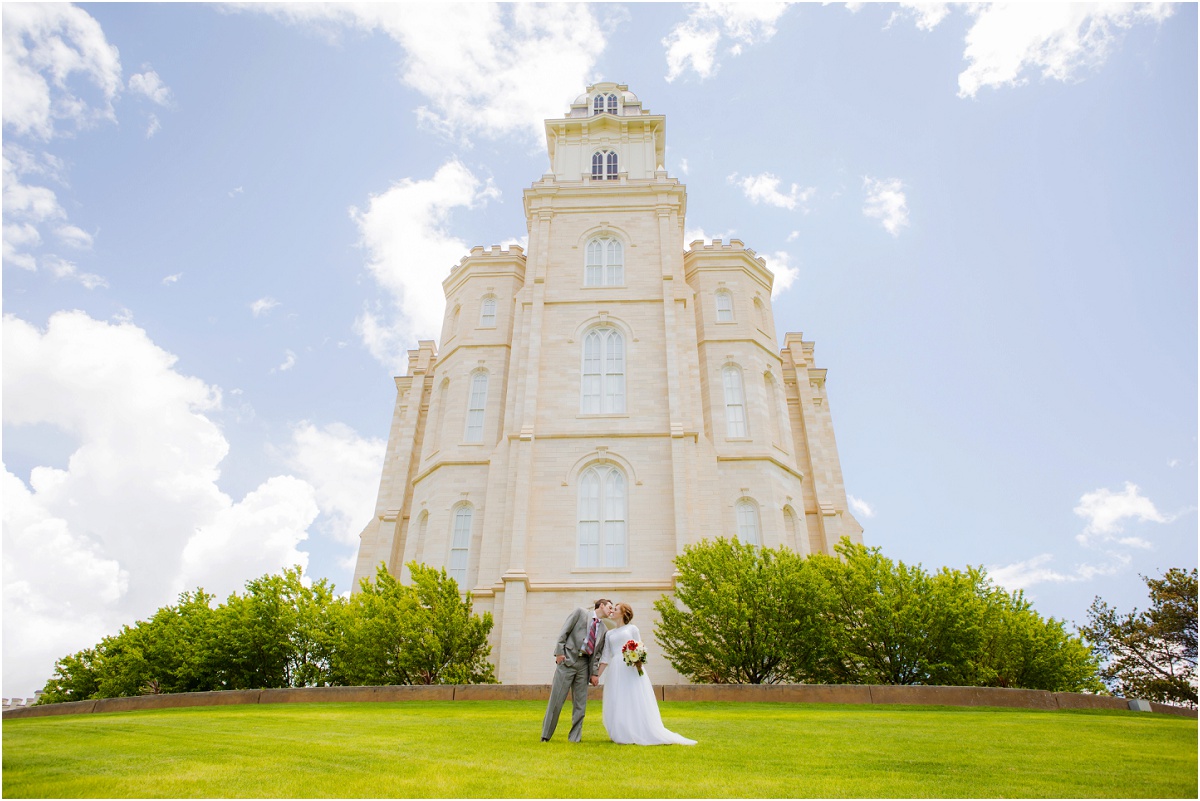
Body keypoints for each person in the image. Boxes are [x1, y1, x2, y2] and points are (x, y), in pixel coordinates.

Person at [599, 602, 696, 746]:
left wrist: (637, 661)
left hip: (630, 666)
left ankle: (639, 730)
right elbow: (606, 655)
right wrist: (597, 675)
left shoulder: (632, 629)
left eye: (616, 609)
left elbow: (640, 647)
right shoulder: (609, 634)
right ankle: (621, 732)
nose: (612, 611)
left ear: (624, 613)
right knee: (617, 698)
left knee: (633, 698)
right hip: (615, 669)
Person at [540, 598, 614, 742]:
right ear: (602, 605)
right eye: (610, 607)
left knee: (580, 705)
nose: (611, 611)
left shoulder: (604, 629)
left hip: (584, 666)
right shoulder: (580, 613)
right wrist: (559, 652)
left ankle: (574, 738)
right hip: (567, 661)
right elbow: (564, 631)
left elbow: (597, 653)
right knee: (556, 700)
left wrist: (594, 673)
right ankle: (545, 735)